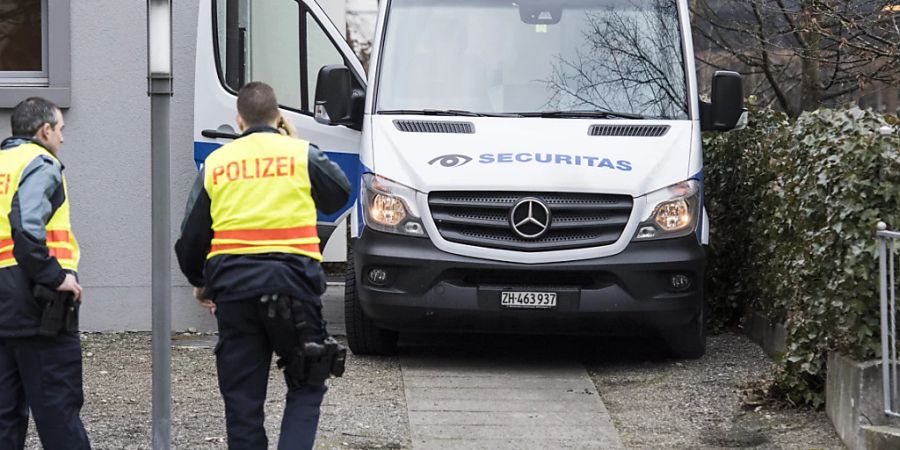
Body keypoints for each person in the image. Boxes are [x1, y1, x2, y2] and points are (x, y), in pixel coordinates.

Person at [175, 81, 351, 450]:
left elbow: (191, 238)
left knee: (242, 404)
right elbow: (339, 193)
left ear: (239, 120)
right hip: (294, 289)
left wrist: (201, 281)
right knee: (307, 382)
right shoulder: (301, 154)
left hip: (235, 294)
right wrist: (293, 141)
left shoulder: (217, 164)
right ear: (279, 116)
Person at [0, 97, 89, 449]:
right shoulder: (40, 162)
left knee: (4, 416)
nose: (62, 139)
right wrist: (55, 276)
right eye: (60, 130)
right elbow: (26, 227)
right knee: (58, 413)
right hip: (37, 305)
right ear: (44, 130)